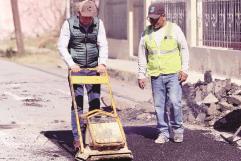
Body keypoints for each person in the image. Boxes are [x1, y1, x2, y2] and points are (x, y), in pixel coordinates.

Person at [57, 0, 108, 150]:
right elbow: (62, 45)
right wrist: (71, 64)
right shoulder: (68, 24)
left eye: (90, 17)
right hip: (76, 69)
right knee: (77, 104)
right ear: (78, 14)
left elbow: (103, 44)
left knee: (94, 103)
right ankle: (78, 137)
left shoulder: (98, 24)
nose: (87, 20)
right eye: (85, 17)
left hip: (93, 68)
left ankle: (94, 136)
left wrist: (102, 63)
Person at [137, 2, 189, 144]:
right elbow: (142, 55)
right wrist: (141, 75)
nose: (153, 21)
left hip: (173, 73)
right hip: (156, 75)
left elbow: (184, 49)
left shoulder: (174, 29)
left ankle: (178, 130)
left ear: (163, 16)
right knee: (159, 105)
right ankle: (163, 133)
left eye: (156, 18)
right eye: (150, 19)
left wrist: (185, 69)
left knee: (174, 102)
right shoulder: (146, 33)